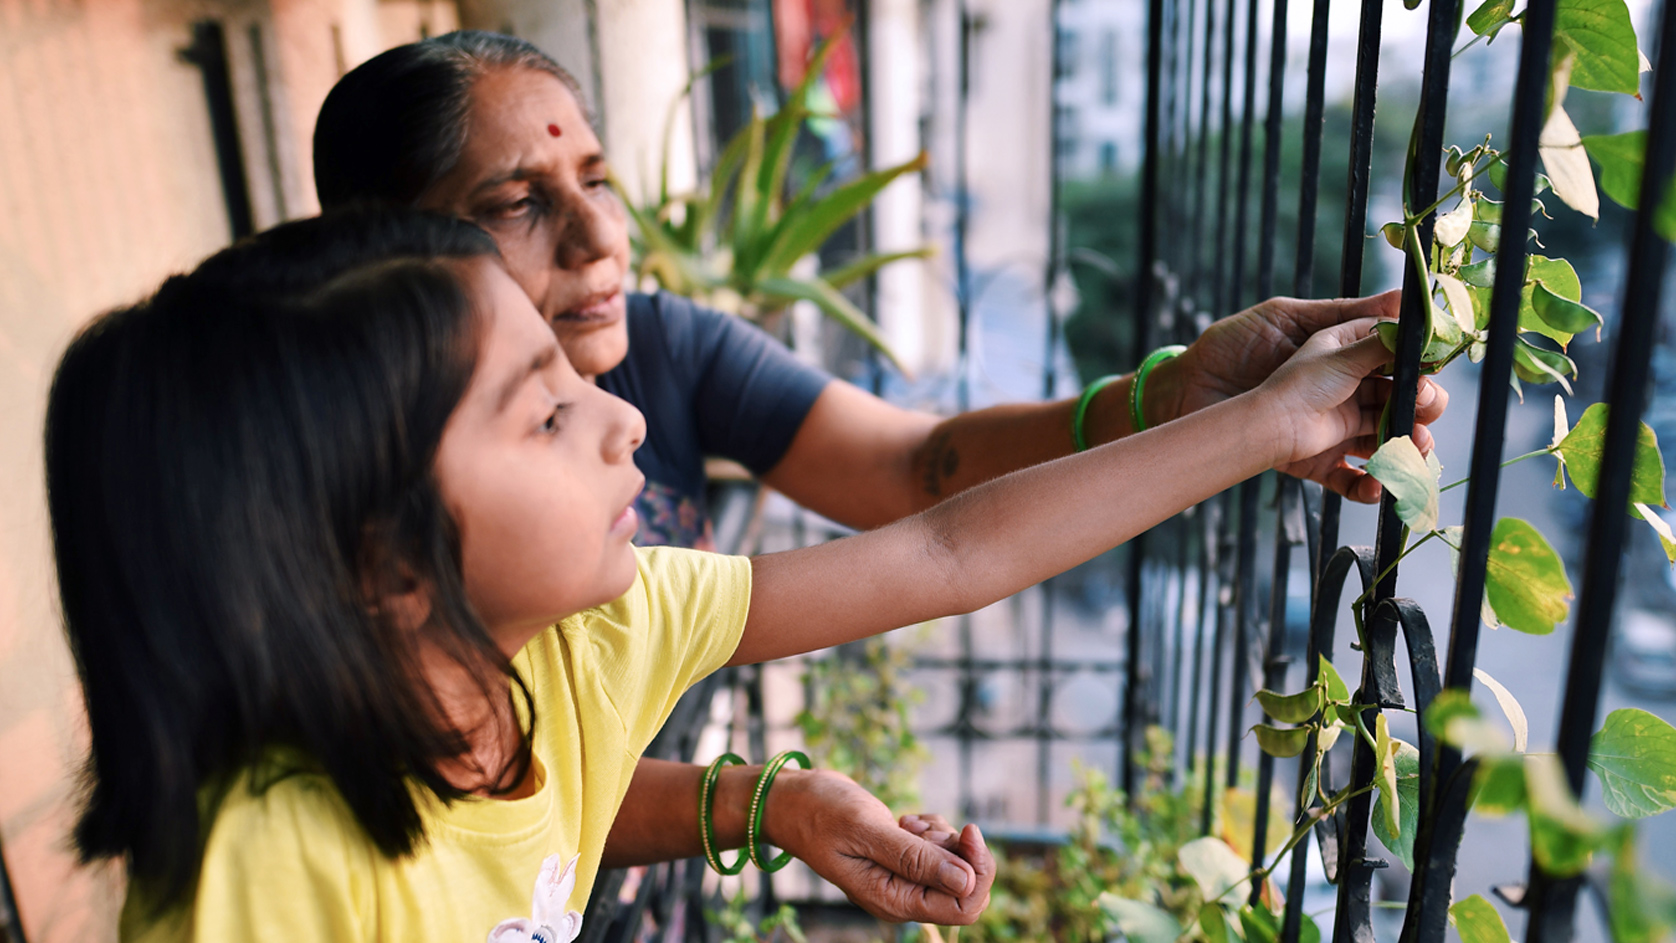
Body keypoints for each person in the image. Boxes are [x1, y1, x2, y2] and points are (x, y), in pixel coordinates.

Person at [49, 207, 1416, 943]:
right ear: (386, 565)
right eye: (541, 408)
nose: (625, 416)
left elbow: (951, 548)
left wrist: (1254, 426)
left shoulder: (581, 644)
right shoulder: (271, 870)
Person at [308, 29, 1449, 881]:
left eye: (596, 179)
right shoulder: (333, 549)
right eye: (515, 201)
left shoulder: (650, 415)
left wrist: (1190, 402)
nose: (603, 235)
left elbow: (933, 500)